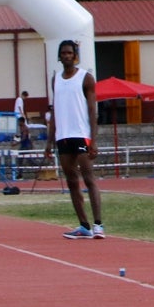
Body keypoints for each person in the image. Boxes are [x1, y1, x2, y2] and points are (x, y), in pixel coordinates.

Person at [44, 40, 105, 239]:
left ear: (75, 55)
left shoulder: (85, 78)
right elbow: (54, 112)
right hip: (63, 137)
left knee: (89, 178)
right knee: (71, 181)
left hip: (81, 134)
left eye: (70, 52)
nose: (66, 56)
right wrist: (49, 142)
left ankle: (98, 225)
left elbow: (92, 110)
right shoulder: (56, 80)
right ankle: (84, 226)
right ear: (59, 56)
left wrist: (93, 140)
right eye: (63, 53)